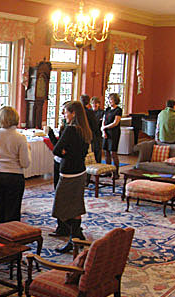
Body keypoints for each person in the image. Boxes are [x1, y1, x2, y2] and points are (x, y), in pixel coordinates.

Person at [51, 101, 92, 250]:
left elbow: (56, 150)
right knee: (76, 207)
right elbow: (77, 152)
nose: (64, 115)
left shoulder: (70, 130)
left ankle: (74, 236)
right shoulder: (85, 130)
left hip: (68, 173)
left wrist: (64, 151)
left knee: (60, 208)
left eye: (65, 112)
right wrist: (66, 151)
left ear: (73, 113)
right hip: (80, 172)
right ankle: (76, 237)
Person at [0, 106, 30, 224]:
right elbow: (25, 163)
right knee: (12, 210)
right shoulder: (20, 137)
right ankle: (11, 237)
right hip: (14, 176)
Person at [102, 93, 124, 165]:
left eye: (111, 99)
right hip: (106, 132)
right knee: (106, 152)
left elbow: (115, 123)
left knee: (113, 152)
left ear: (115, 100)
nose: (110, 101)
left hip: (114, 133)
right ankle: (107, 170)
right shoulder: (107, 109)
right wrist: (103, 131)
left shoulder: (118, 110)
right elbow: (104, 120)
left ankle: (115, 172)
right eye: (109, 99)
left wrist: (105, 127)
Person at [82, 94, 103, 164]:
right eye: (93, 103)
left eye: (96, 103)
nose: (94, 105)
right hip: (91, 133)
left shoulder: (101, 112)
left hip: (97, 133)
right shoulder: (89, 111)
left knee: (97, 151)